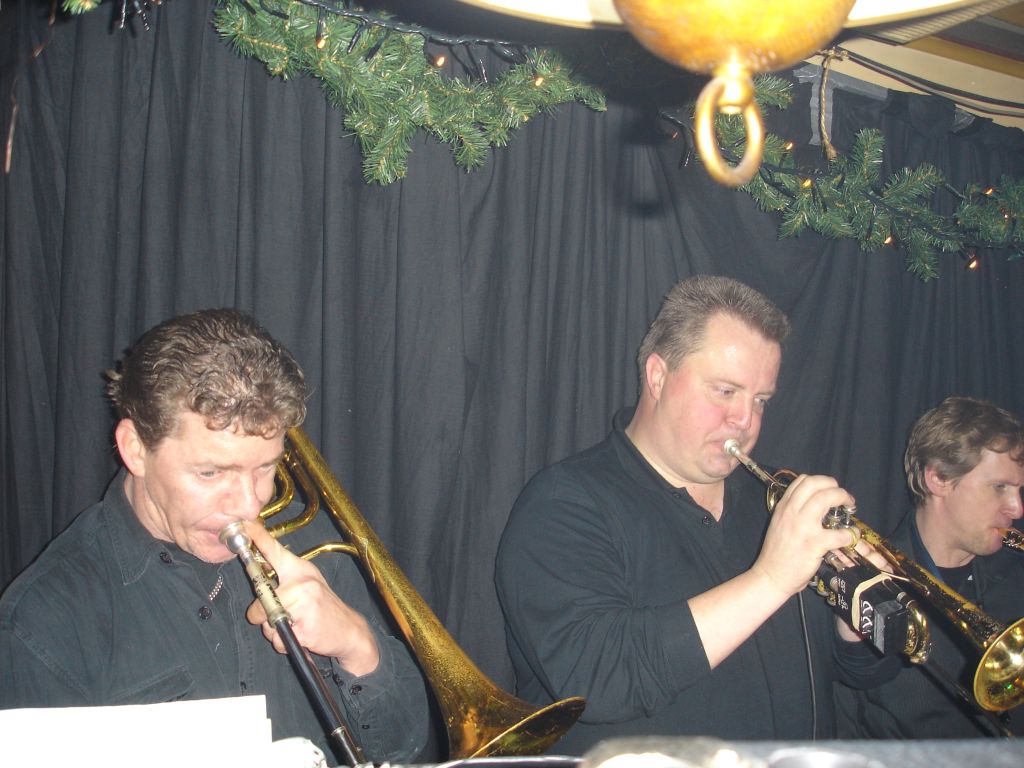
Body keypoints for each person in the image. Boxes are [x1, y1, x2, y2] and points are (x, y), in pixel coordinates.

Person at [0, 308, 429, 763]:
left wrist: (357, 646)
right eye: (210, 472)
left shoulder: (308, 542)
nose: (247, 505)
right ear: (135, 449)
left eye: (265, 467)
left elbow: (404, 746)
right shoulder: (43, 622)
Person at [495, 275, 887, 754]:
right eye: (725, 391)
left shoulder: (771, 506)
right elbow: (595, 679)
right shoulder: (563, 503)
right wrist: (770, 579)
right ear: (658, 377)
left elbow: (853, 673)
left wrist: (856, 612)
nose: (746, 421)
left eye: (760, 400)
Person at [836, 395, 1024, 738]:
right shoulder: (876, 581)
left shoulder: (1016, 573)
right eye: (1000, 487)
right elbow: (858, 673)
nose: (1017, 508)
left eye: (1019, 490)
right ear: (938, 479)